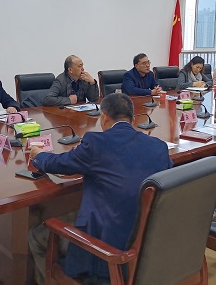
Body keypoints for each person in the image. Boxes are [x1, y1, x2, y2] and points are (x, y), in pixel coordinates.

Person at [28, 93, 172, 284]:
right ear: (132, 117)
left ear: (104, 117)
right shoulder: (159, 147)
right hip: (148, 244)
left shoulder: (96, 143)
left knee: (36, 235)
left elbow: (59, 164)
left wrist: (39, 155)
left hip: (108, 251)